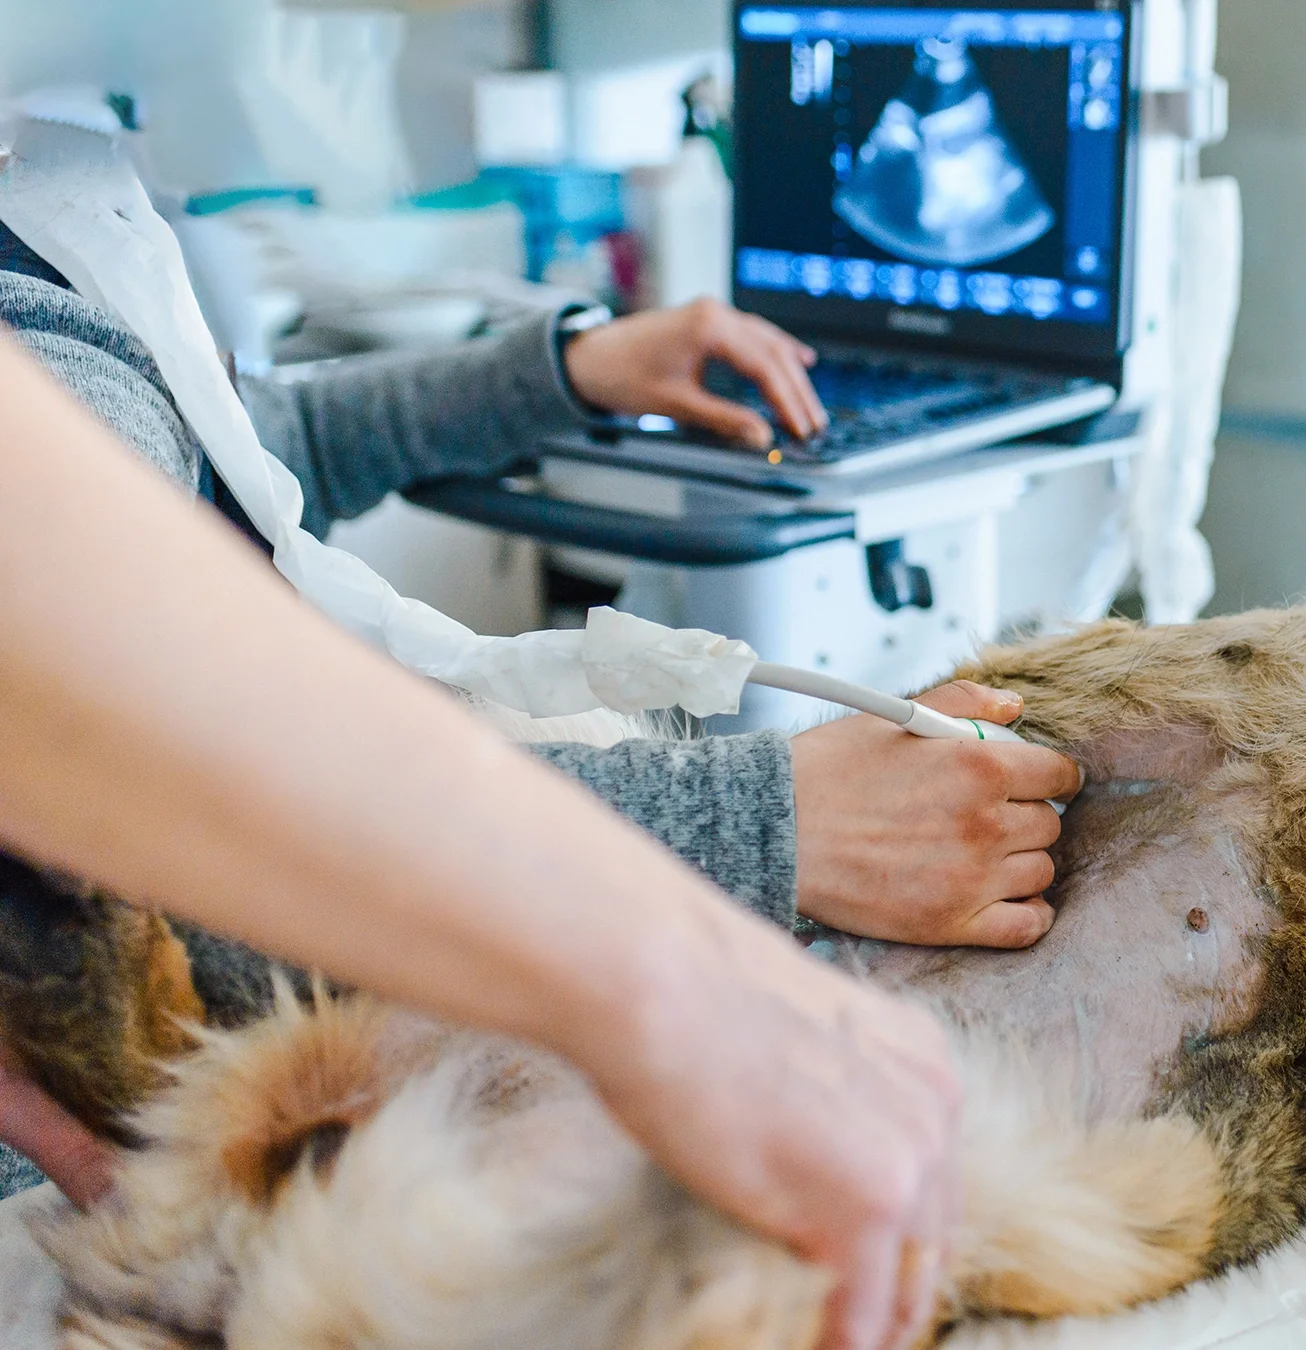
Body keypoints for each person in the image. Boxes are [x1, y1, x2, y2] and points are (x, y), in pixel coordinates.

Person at [0, 331, 959, 1350]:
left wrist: (560, 376)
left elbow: (219, 451)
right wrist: (747, 844)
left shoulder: (52, 227)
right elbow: (125, 750)